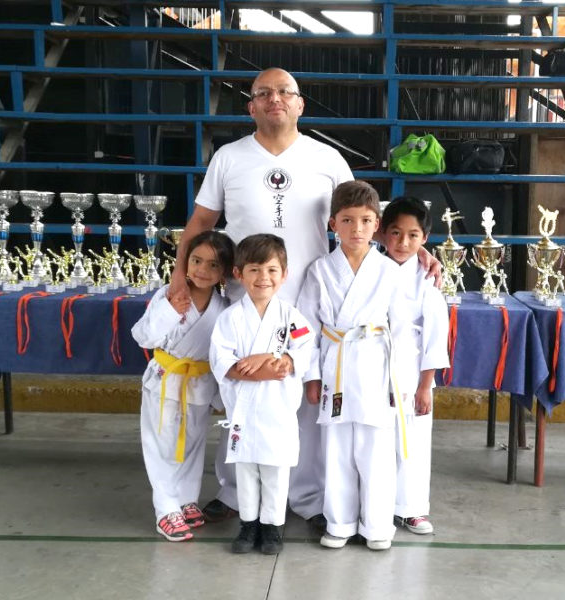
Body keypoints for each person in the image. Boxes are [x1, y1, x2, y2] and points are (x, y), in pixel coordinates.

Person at [167, 67, 353, 529]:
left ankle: (307, 497)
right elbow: (201, 221)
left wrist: (420, 251)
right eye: (264, 93)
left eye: (285, 92)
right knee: (240, 395)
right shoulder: (229, 157)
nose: (275, 99)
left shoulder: (326, 158)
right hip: (242, 298)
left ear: (300, 103)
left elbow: (361, 216)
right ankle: (234, 494)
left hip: (308, 296)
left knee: (305, 395)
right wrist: (178, 276)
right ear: (250, 106)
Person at [297, 180, 406, 551]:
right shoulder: (320, 270)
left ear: (377, 224)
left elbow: (403, 330)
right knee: (336, 449)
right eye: (347, 220)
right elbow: (306, 327)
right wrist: (311, 375)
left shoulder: (390, 271)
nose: (356, 229)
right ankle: (340, 522)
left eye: (364, 220)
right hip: (336, 364)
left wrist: (400, 381)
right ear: (333, 225)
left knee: (376, 449)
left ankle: (377, 525)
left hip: (376, 365)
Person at [209, 234, 315, 555]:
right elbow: (223, 362)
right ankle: (248, 525)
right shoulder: (230, 318)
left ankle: (272, 528)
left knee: (275, 471)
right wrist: (268, 365)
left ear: (284, 274)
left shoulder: (291, 317)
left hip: (278, 410)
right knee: (245, 470)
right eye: (254, 270)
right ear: (239, 274)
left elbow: (302, 353)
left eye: (271, 270)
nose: (263, 278)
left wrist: (269, 361)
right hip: (242, 409)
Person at [131, 231, 234, 542]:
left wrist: (220, 393)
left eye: (213, 265)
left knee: (193, 444)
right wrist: (171, 310)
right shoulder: (169, 295)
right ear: (184, 262)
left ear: (225, 272)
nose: (202, 270)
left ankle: (186, 500)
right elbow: (143, 337)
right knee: (160, 445)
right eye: (196, 261)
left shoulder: (224, 306)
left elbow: (220, 353)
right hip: (165, 380)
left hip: (199, 382)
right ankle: (166, 509)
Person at [381, 197, 450, 535]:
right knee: (376, 439)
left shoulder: (427, 280)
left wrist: (426, 385)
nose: (403, 243)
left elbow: (436, 337)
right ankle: (376, 504)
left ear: (425, 238)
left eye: (413, 235)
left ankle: (411, 508)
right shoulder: (369, 270)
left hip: (412, 370)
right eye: (395, 233)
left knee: (413, 439)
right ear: (381, 234)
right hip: (374, 367)